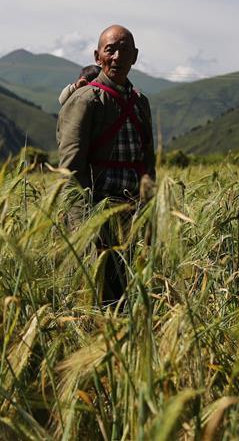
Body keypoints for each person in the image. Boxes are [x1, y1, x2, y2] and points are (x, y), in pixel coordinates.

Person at [56, 25, 156, 305]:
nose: (116, 56)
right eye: (110, 49)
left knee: (126, 293)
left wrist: (150, 214)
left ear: (135, 56)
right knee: (98, 295)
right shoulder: (86, 100)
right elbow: (71, 169)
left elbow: (148, 162)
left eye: (124, 49)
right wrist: (82, 229)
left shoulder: (140, 103)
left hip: (132, 215)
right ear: (97, 55)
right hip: (96, 213)